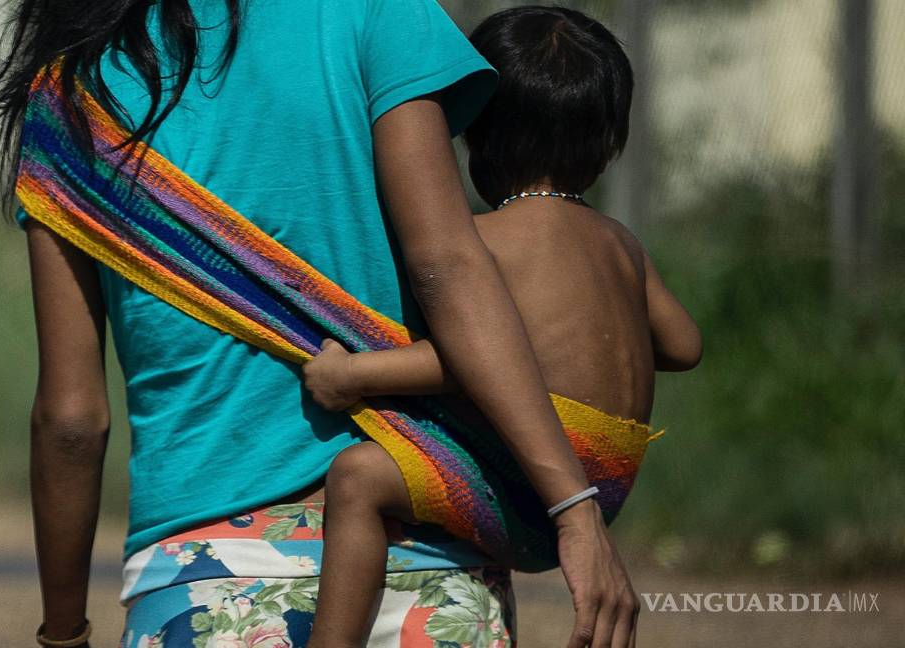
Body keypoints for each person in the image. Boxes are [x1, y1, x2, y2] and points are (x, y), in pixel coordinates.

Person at [0, 0, 641, 646]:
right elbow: (450, 267)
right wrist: (574, 508)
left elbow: (72, 422)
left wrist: (63, 634)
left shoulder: (71, 97)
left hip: (210, 577)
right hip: (424, 558)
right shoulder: (378, 12)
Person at [301, 6, 702, 647]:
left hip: (533, 488)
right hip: (609, 482)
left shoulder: (486, 243)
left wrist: (351, 373)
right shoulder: (621, 243)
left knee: (357, 478)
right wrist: (599, 338)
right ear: (608, 145)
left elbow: (469, 359)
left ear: (473, 138)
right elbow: (685, 346)